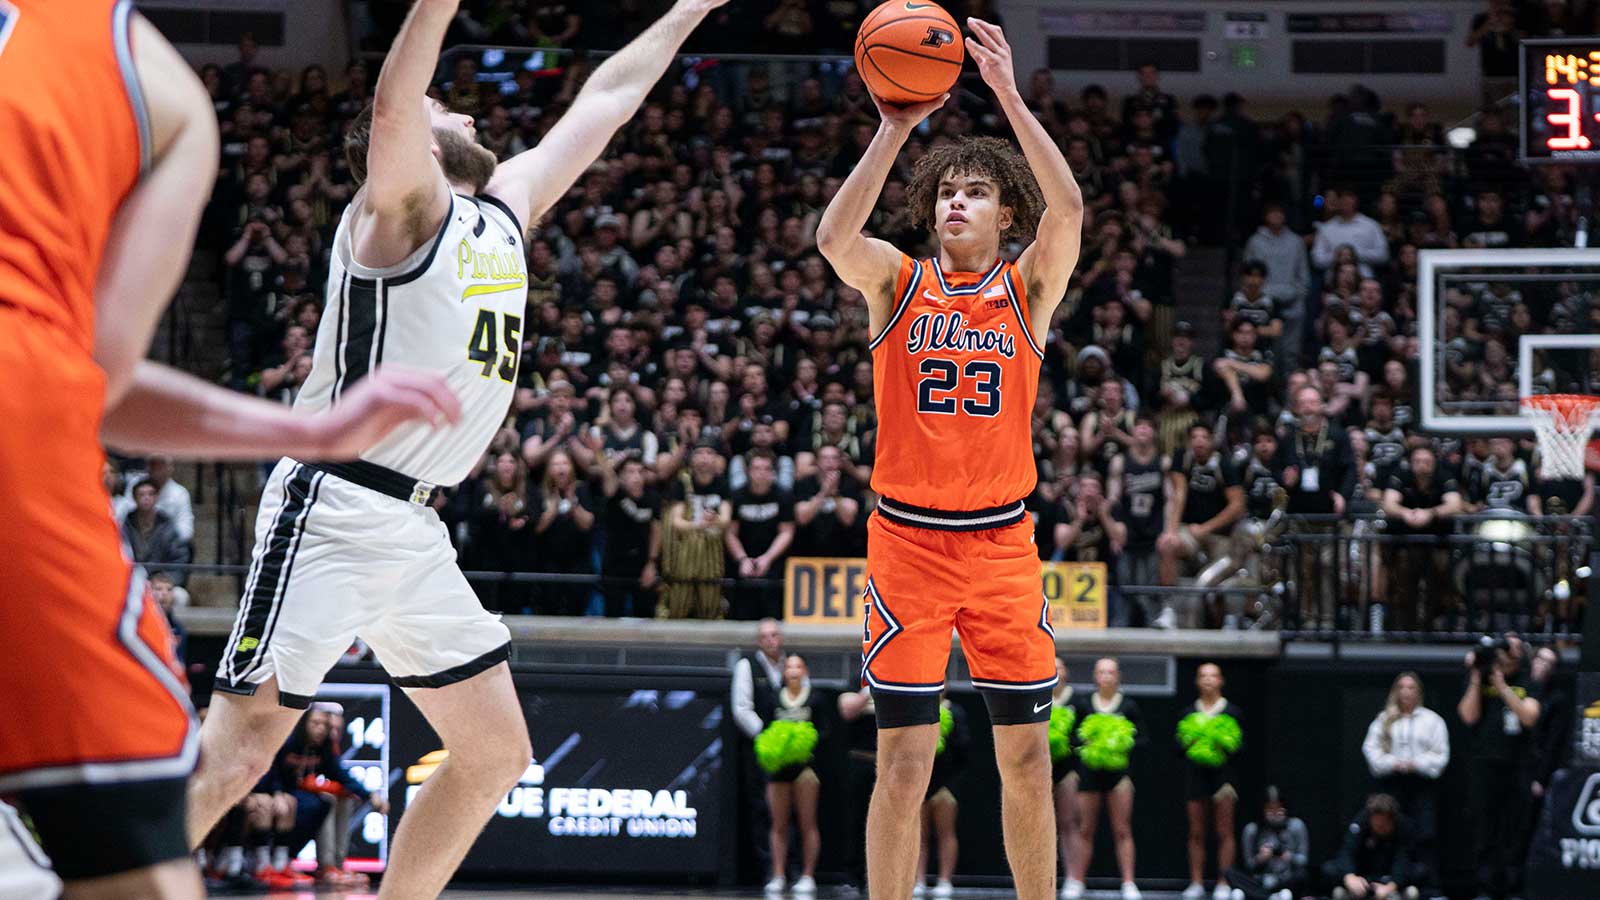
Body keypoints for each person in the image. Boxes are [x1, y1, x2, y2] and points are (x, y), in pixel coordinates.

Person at [186, 3, 731, 898]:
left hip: (413, 526)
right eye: (450, 108)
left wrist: (687, 9)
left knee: (495, 752)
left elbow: (610, 96)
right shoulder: (396, 209)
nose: (469, 113)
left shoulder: (504, 209)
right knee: (240, 755)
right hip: (332, 507)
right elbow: (397, 101)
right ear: (417, 141)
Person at [0, 4, 457, 898]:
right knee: (144, 870)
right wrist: (308, 429)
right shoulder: (161, 88)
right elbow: (102, 374)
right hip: (20, 424)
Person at [816, 19, 1083, 900]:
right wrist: (893, 128)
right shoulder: (897, 280)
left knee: (1029, 759)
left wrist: (1008, 94)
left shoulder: (1026, 289)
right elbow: (831, 239)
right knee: (901, 765)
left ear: (1007, 215)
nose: (955, 204)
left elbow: (1072, 209)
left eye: (975, 193)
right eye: (945, 194)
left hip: (1004, 547)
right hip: (909, 546)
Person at [1457, 633, 1542, 900]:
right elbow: (1468, 716)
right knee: (1485, 828)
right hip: (1485, 765)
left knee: (1515, 829)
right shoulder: (1480, 678)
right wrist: (1476, 677)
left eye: (1512, 646)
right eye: (1503, 645)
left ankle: (1514, 887)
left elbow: (1529, 717)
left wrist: (1503, 687)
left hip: (1517, 764)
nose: (1506, 650)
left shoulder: (1528, 681)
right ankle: (1485, 888)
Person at [1066, 658, 1144, 900]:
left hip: (1119, 776)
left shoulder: (1129, 706)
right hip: (1089, 774)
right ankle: (1077, 880)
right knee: (1085, 828)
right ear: (1095, 676)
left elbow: (1142, 739)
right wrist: (1089, 742)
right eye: (1102, 671)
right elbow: (1073, 738)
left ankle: (1129, 883)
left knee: (1122, 830)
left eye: (1111, 672)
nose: (1106, 676)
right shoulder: (1083, 703)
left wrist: (1121, 743)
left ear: (1118, 676)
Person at [1362, 672, 1449, 878]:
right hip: (1392, 784)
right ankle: (1390, 881)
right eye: (1401, 687)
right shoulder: (1384, 720)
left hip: (1422, 785)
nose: (1406, 692)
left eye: (1411, 687)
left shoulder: (1432, 720)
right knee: (1392, 832)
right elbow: (1371, 751)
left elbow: (1441, 755)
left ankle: (1428, 885)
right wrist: (1393, 763)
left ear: (1418, 691)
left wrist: (1416, 764)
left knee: (1425, 834)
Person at [1179, 663, 1242, 900]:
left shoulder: (1232, 712)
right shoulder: (1188, 713)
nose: (1208, 680)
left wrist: (1221, 743)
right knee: (1196, 831)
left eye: (1213, 675)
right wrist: (1192, 742)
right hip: (1195, 777)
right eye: (1203, 676)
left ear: (1221, 680)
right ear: (1196, 681)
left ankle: (1224, 882)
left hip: (1223, 778)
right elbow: (1178, 748)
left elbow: (1240, 748)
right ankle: (1196, 882)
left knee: (1224, 831)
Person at [760, 654, 821, 897]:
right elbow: (765, 730)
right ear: (784, 672)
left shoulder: (816, 699)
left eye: (798, 666)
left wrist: (803, 744)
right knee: (778, 825)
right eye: (789, 666)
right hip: (778, 769)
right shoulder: (773, 698)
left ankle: (807, 875)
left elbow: (824, 733)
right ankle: (778, 874)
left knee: (807, 823)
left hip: (805, 769)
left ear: (805, 670)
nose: (793, 670)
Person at [733, 619, 787, 884]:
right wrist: (765, 738)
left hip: (789, 752)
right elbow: (741, 709)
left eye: (775, 635)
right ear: (758, 641)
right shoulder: (747, 666)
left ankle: (792, 868)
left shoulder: (790, 666)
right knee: (762, 808)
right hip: (760, 749)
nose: (770, 640)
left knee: (788, 812)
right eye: (765, 636)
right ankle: (766, 868)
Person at [915, 691, 972, 899]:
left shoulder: (954, 711)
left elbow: (964, 748)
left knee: (945, 832)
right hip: (921, 780)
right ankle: (918, 880)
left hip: (947, 781)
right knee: (919, 834)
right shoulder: (917, 708)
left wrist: (951, 785)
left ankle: (945, 880)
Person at [1322, 794, 1421, 900]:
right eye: (1376, 824)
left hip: (1389, 875)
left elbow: (1402, 859)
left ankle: (1398, 893)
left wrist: (1390, 886)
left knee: (1419, 871)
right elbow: (1347, 850)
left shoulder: (1403, 826)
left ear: (1392, 821)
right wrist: (1349, 876)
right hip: (1363, 876)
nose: (1379, 828)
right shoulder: (1361, 820)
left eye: (1383, 825)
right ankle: (1352, 892)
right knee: (1329, 869)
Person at [1227, 787, 1310, 900]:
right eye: (1270, 809)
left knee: (1303, 876)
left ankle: (1255, 896)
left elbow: (1303, 860)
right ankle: (1269, 897)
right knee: (1230, 872)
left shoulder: (1296, 826)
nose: (1275, 813)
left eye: (1279, 808)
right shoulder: (1252, 830)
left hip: (1287, 878)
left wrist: (1289, 856)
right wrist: (1260, 858)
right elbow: (1249, 864)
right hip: (1261, 879)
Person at [1049, 658, 1080, 894]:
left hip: (1068, 769)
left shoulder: (1078, 701)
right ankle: (1045, 876)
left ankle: (1073, 878)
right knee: (1042, 824)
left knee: (1069, 823)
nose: (1055, 671)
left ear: (1066, 673)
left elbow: (1085, 736)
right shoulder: (1037, 698)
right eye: (1051, 666)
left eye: (1059, 667)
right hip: (1041, 769)